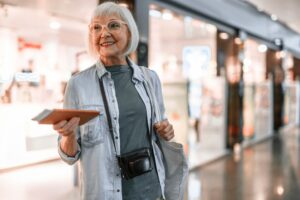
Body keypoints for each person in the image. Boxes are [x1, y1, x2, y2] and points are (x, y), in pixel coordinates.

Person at [52, 2, 175, 200]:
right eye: (96, 28)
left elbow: (160, 127)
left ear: (130, 32)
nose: (104, 33)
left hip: (152, 190)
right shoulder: (78, 84)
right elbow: (69, 157)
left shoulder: (150, 79)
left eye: (113, 25)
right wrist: (68, 136)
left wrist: (167, 130)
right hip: (105, 193)